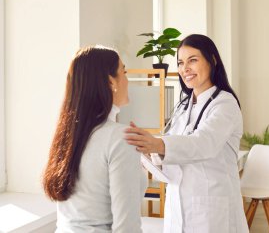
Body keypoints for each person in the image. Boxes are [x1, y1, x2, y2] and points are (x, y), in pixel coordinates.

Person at [125, 34, 249, 233]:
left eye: (193, 60)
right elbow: (171, 164)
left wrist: (157, 144)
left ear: (212, 60)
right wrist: (145, 150)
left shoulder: (225, 104)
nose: (185, 69)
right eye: (180, 63)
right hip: (177, 208)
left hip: (212, 209)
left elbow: (203, 143)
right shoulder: (183, 107)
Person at [42, 45, 147, 233]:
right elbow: (127, 227)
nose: (127, 80)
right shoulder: (121, 138)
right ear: (111, 82)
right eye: (124, 72)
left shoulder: (67, 136)